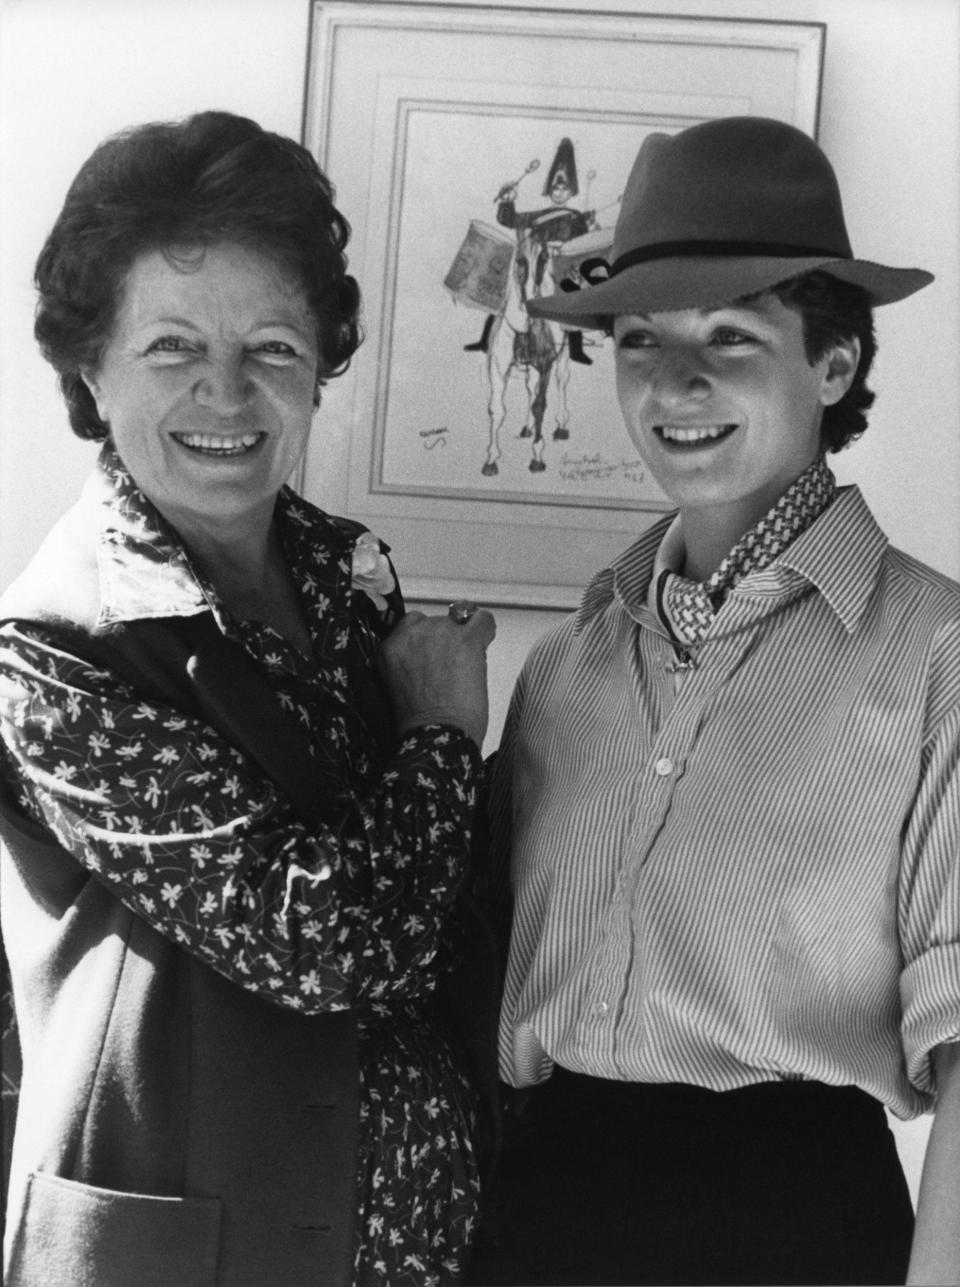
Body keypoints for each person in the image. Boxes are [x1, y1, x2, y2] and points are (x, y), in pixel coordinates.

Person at [0, 110, 498, 1287]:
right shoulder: (56, 649)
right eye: (172, 348)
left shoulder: (345, 572)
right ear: (89, 365)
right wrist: (439, 736)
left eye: (273, 348)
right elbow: (324, 942)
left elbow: (446, 907)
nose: (227, 395)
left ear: (319, 367)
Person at [470, 116, 960, 1286]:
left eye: (732, 338)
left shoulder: (936, 656)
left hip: (790, 1223)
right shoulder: (570, 664)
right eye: (642, 341)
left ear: (832, 363)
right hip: (537, 1209)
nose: (674, 385)